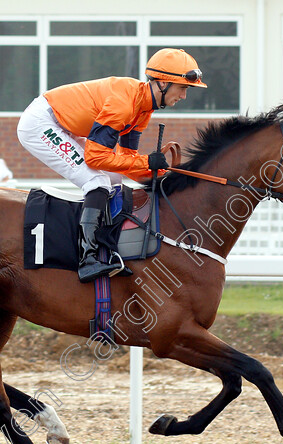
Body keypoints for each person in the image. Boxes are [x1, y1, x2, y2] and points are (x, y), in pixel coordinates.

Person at [17, 48, 206, 283]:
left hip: (64, 124)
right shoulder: (124, 105)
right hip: (41, 123)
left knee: (114, 181)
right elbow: (96, 158)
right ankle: (86, 260)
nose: (184, 96)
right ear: (163, 83)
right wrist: (148, 161)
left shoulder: (143, 109)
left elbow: (125, 161)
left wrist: (161, 174)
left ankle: (107, 250)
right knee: (97, 182)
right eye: (183, 88)